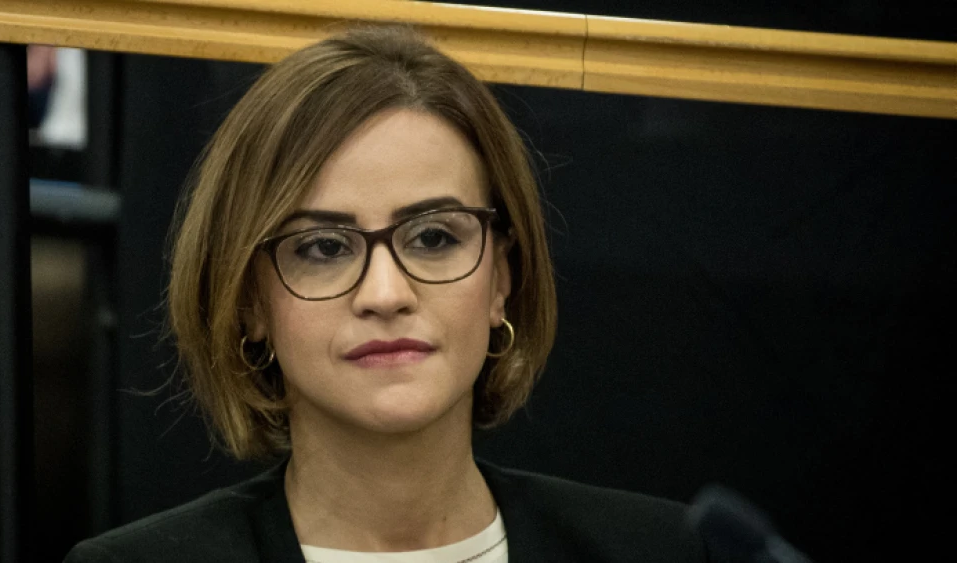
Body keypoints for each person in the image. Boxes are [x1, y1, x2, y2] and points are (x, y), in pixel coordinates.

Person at [65, 26, 707, 563]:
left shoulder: (663, 550)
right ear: (250, 301)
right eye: (323, 247)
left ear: (502, 280)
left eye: (433, 238)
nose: (386, 293)